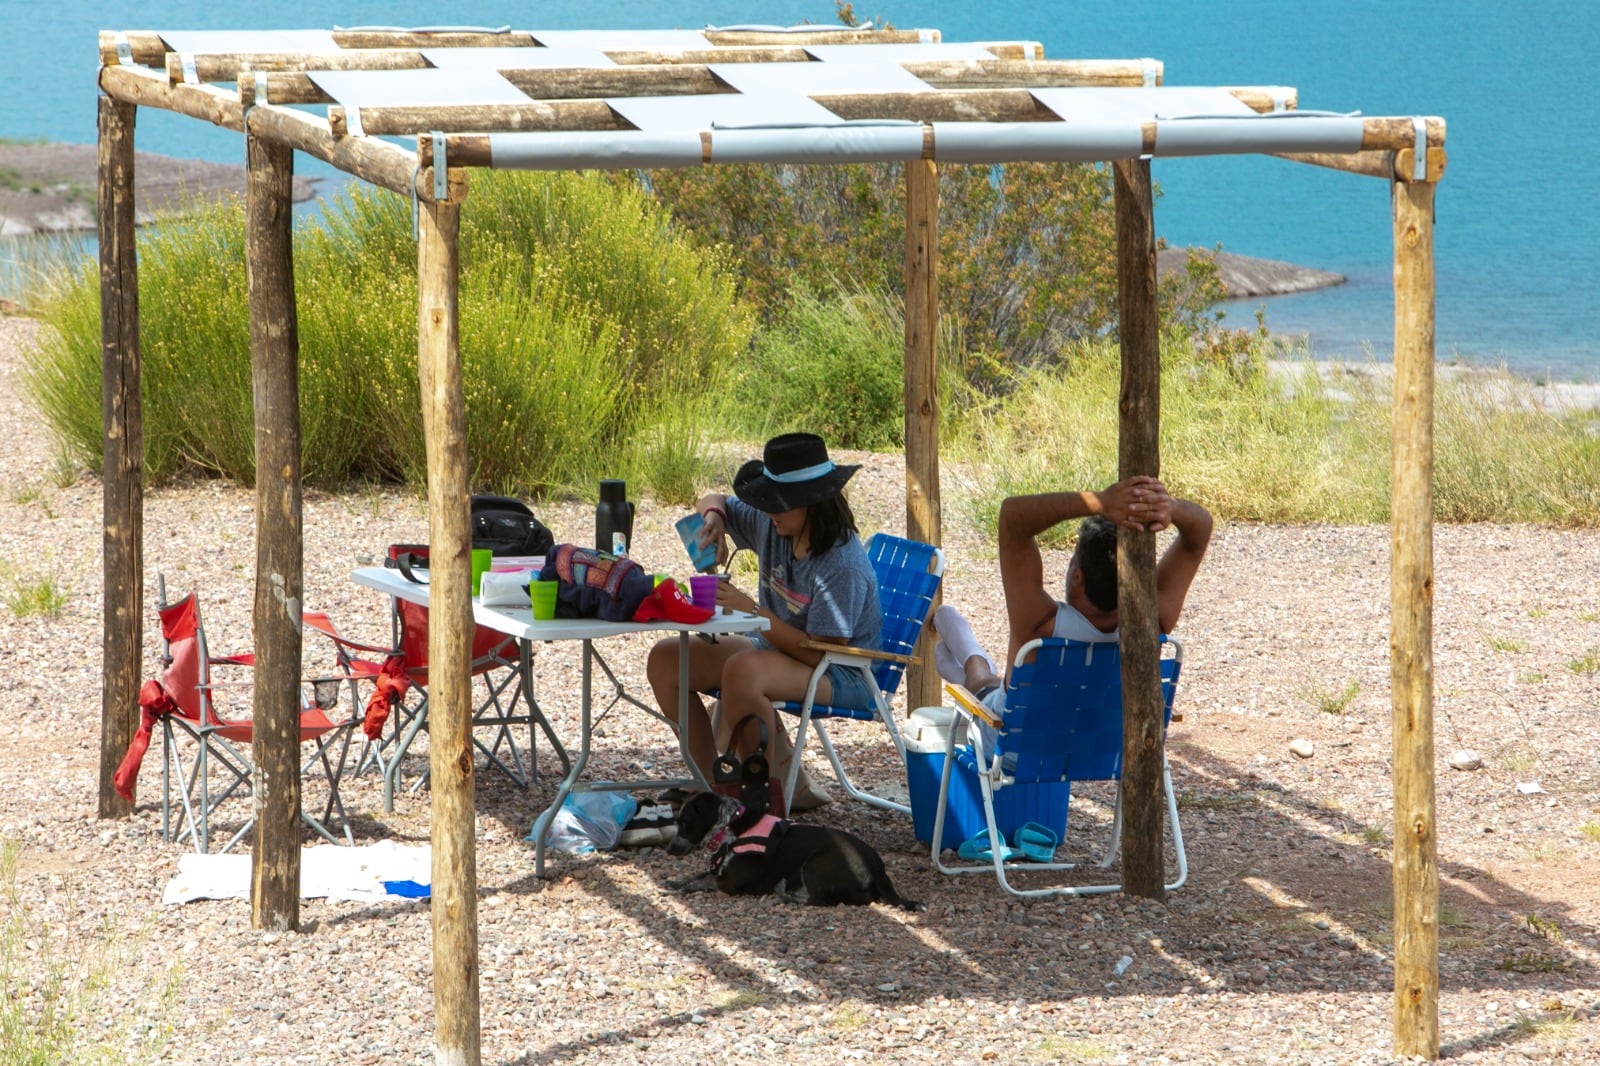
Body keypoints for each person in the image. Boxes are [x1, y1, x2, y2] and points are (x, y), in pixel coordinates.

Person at [646, 432, 881, 810]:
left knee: (743, 671)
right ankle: (713, 785)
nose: (770, 512)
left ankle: (761, 802)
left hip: (843, 671)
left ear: (812, 504)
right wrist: (715, 521)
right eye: (768, 502)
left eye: (780, 504)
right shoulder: (775, 524)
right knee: (667, 659)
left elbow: (823, 653)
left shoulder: (841, 563)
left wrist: (752, 611)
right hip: (778, 651)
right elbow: (714, 499)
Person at [934, 476, 1212, 713]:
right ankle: (966, 658)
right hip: (1106, 750)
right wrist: (1169, 507)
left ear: (1077, 577)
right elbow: (1199, 531)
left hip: (1015, 750)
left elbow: (1011, 517)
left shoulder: (1040, 625)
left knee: (981, 683)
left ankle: (974, 661)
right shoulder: (1154, 620)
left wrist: (1098, 501)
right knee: (984, 680)